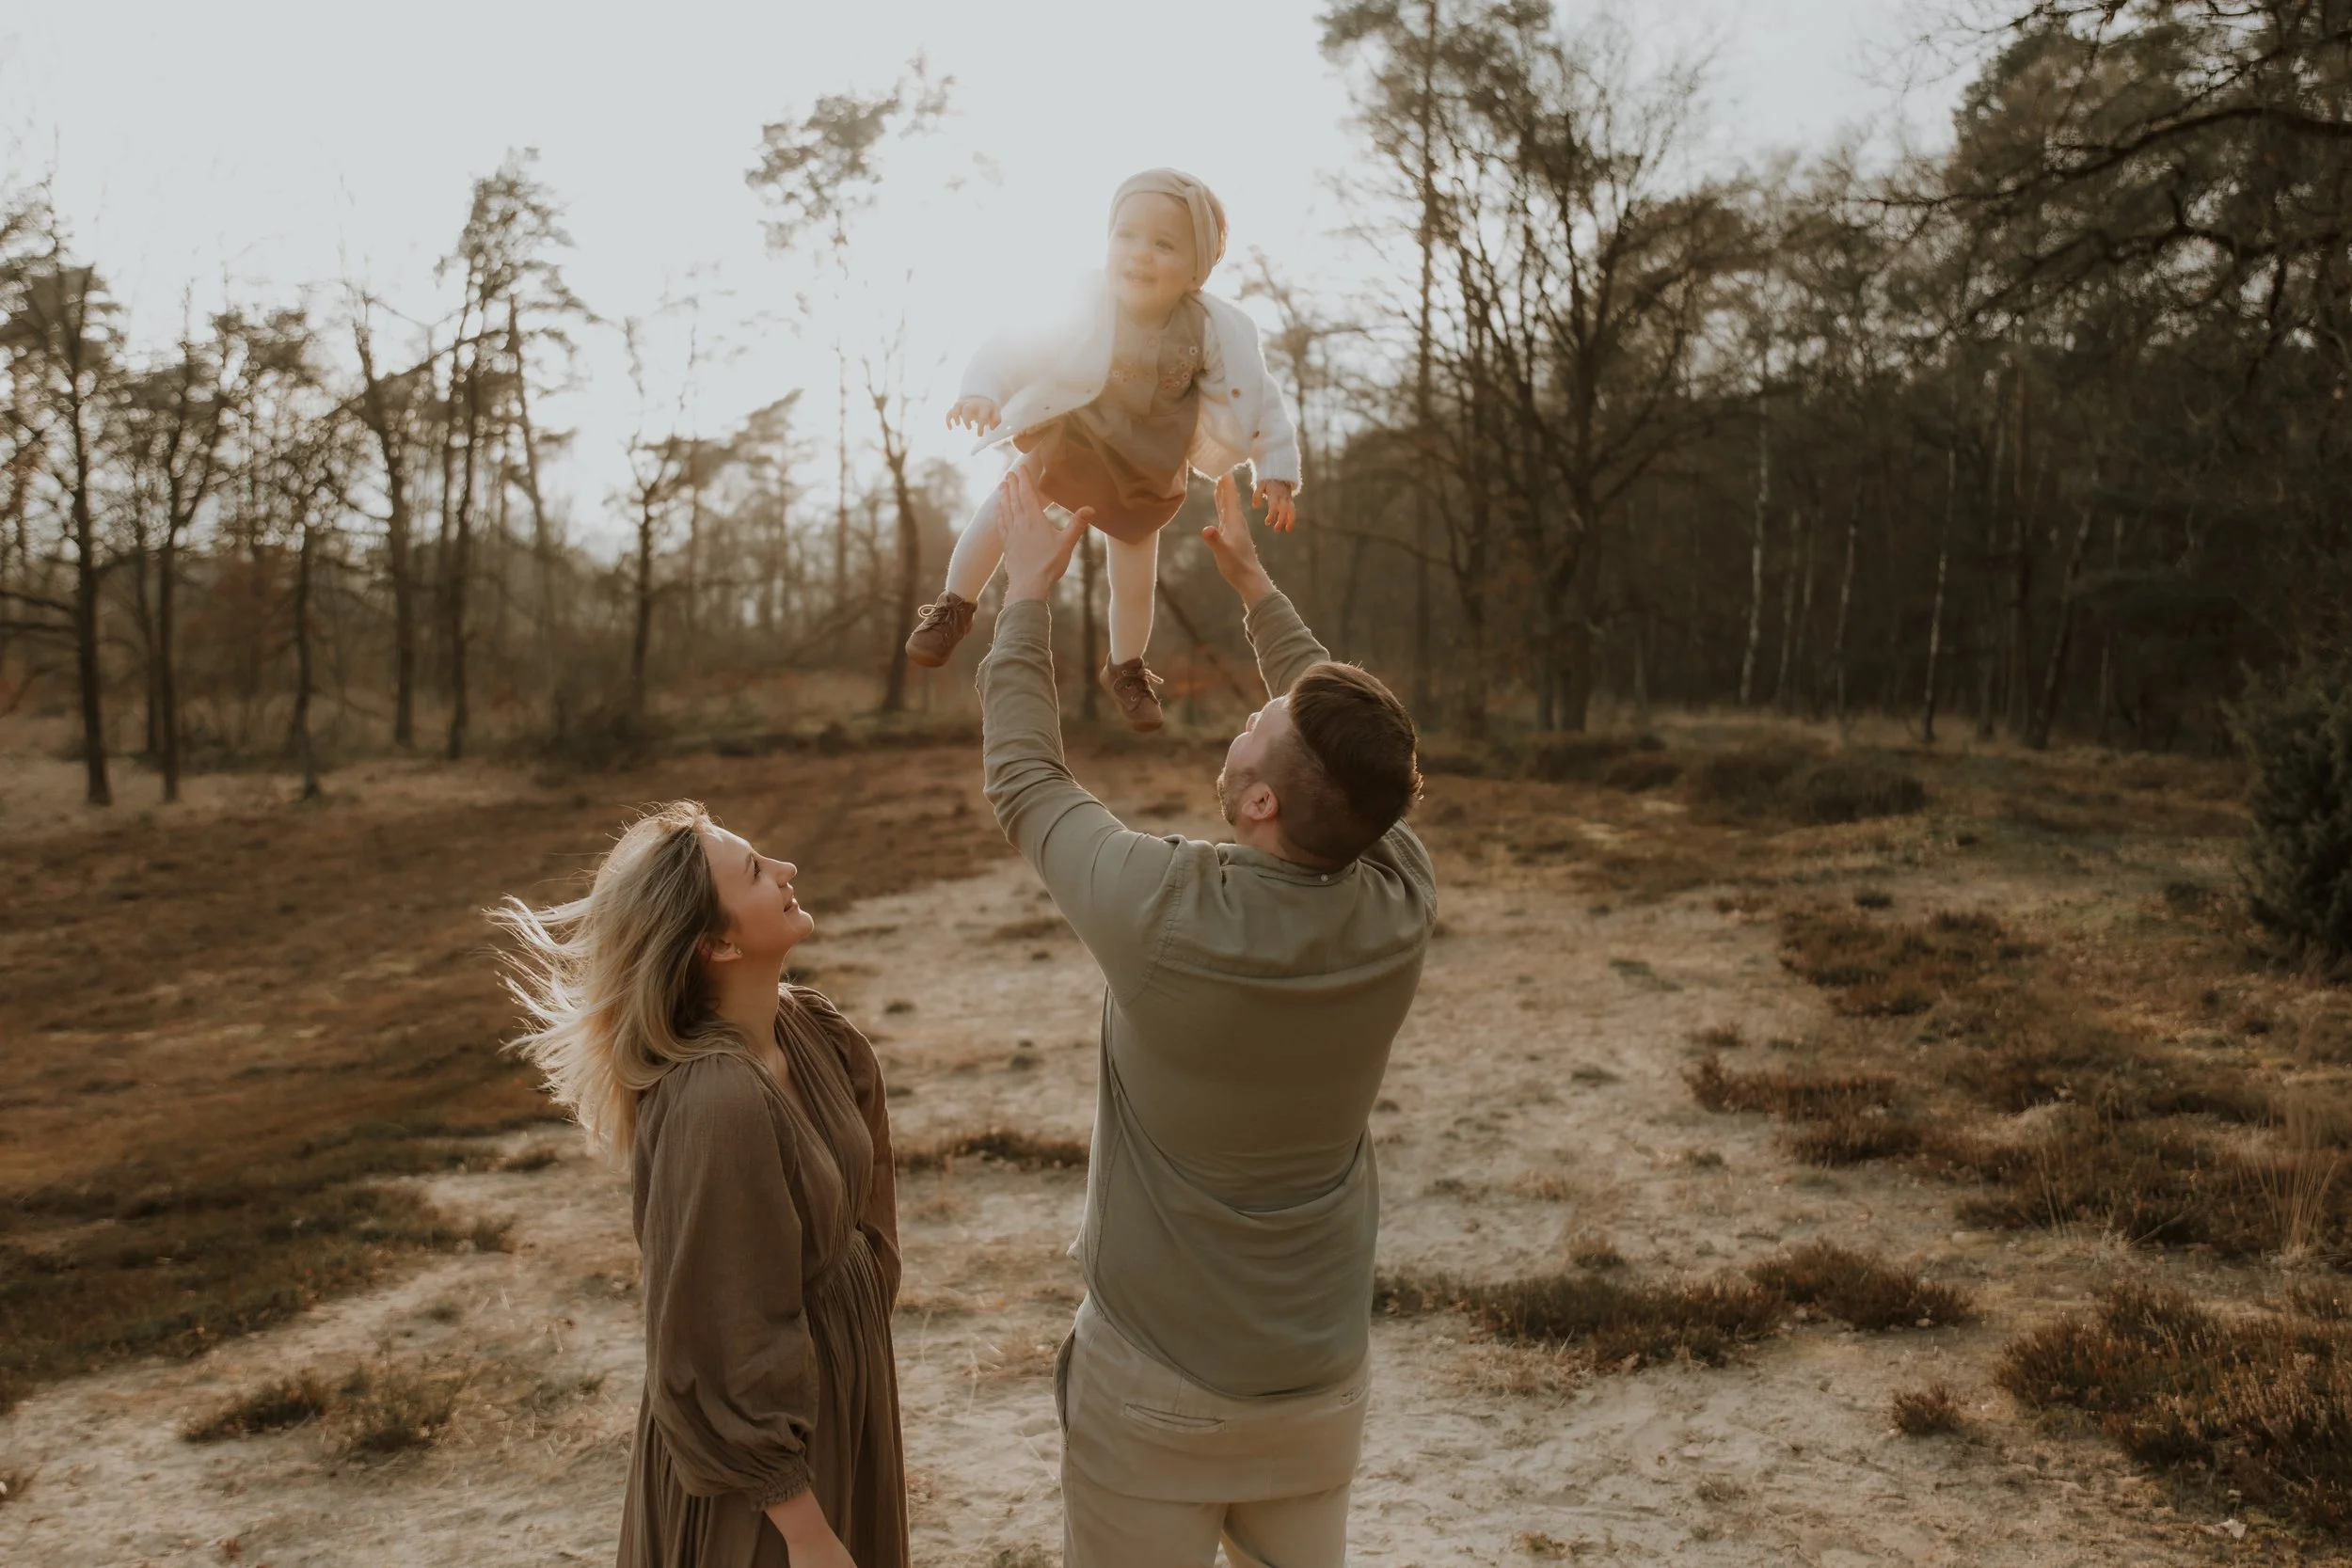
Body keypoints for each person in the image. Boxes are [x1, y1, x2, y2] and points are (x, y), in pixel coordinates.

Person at [977, 467, 1435, 1568]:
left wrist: (1027, 594)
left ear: (1262, 800)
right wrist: (1255, 585)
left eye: (1261, 721)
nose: (1254, 708)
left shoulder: (1163, 911)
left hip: (1157, 1383)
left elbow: (1025, 780)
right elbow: (1360, 765)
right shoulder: (1400, 896)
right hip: (1319, 1379)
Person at [489, 803, 907, 1568]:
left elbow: (869, 1200)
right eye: (754, 871)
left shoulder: (815, 1032)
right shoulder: (718, 1101)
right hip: (767, 1490)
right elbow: (717, 1336)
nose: (785, 872)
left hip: (840, 1400)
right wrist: (805, 1527)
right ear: (715, 941)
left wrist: (857, 1341)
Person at [904, 166, 1302, 733]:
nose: (1139, 254)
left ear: (1198, 268)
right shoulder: (1083, 299)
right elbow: (1013, 343)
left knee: (1134, 580)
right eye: (1127, 236)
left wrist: (1276, 470)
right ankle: (953, 606)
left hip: (1146, 470)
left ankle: (1126, 667)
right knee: (1002, 509)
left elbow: (1257, 399)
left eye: (1163, 244)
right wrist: (982, 390)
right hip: (1072, 442)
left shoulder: (1215, 329)